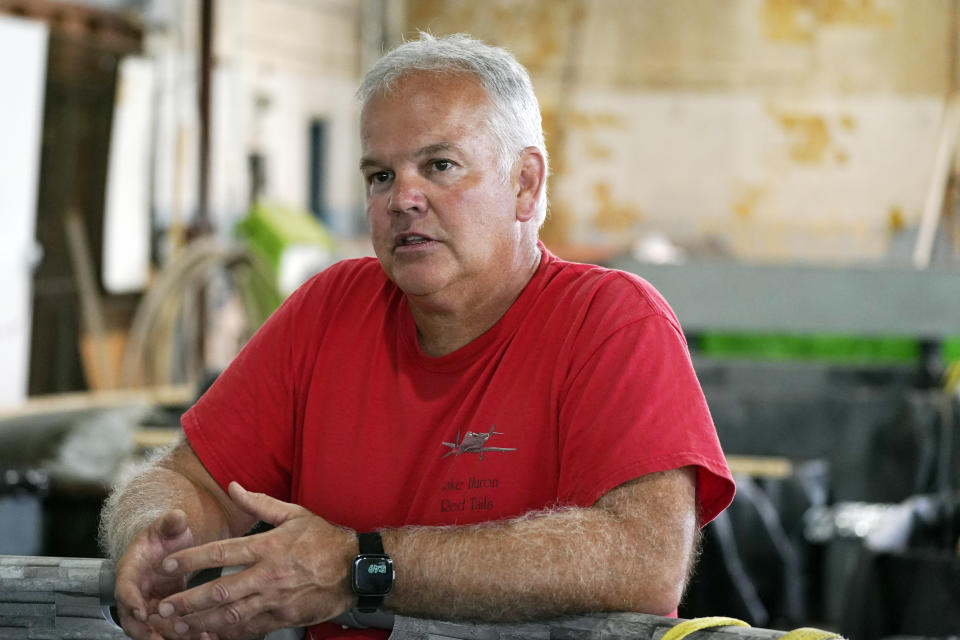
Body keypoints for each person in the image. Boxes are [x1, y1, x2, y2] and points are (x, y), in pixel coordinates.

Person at [100, 33, 735, 640]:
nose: (403, 198)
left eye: (439, 165)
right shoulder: (328, 310)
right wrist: (155, 537)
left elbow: (642, 560)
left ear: (525, 183)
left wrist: (361, 564)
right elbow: (192, 480)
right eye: (379, 175)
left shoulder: (612, 322)